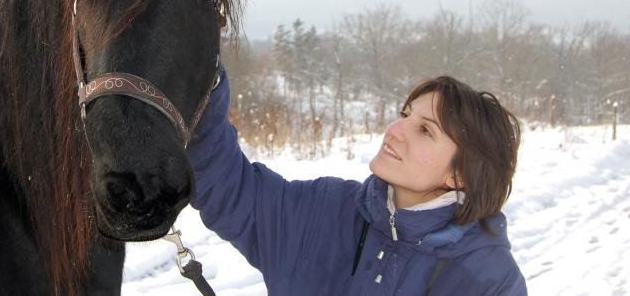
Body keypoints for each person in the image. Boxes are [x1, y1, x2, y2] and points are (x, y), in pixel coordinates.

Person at [187, 68, 527, 295]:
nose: (394, 131)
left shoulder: (489, 280)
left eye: (425, 130)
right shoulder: (326, 208)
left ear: (460, 173)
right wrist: (204, 76)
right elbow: (225, 185)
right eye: (405, 115)